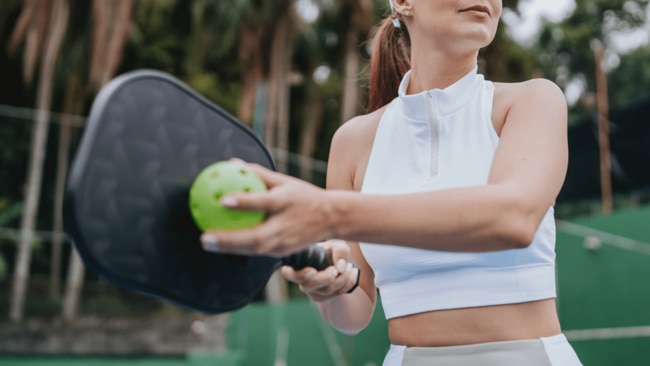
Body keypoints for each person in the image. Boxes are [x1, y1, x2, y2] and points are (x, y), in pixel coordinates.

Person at [200, 0, 583, 364]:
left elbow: (510, 219)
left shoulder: (534, 100)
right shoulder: (352, 142)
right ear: (403, 2)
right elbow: (355, 311)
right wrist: (327, 287)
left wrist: (326, 211)